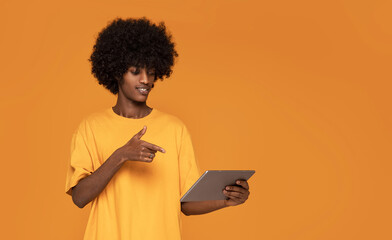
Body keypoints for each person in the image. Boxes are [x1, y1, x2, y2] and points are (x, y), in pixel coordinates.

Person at [65, 17, 250, 240]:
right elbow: (79, 198)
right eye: (135, 71)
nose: (145, 80)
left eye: (151, 72)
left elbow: (185, 203)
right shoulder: (91, 128)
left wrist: (226, 199)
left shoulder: (175, 128)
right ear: (116, 72)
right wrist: (121, 155)